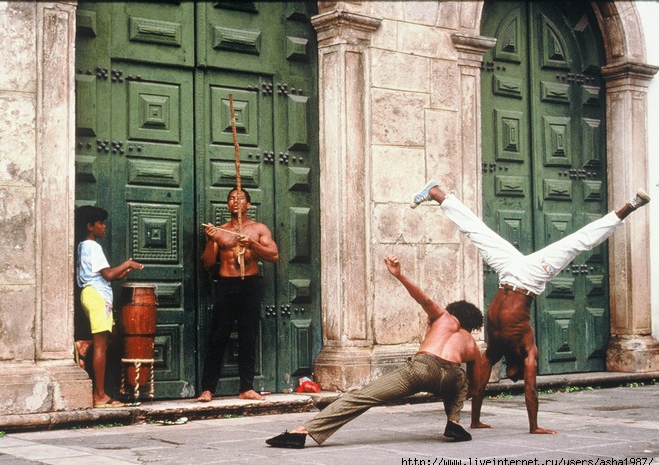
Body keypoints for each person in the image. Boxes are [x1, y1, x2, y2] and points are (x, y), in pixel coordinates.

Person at [410, 180, 651, 434]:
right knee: (576, 243)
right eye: (516, 375)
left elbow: (478, 384)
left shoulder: (495, 348)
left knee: (477, 233)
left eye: (513, 375)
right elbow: (529, 388)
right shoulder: (528, 347)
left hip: (507, 273)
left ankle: (438, 194)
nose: (514, 376)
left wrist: (474, 419)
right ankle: (631, 206)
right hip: (531, 278)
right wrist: (532, 426)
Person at [265, 255, 483, 449]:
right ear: (472, 324)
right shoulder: (472, 345)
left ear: (454, 311)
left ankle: (301, 432)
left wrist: (399, 275)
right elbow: (475, 386)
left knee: (363, 397)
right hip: (451, 375)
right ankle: (454, 423)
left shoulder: (444, 318)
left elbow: (422, 298)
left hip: (422, 369)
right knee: (461, 380)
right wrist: (474, 418)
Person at [197, 188, 279, 402]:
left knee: (248, 336)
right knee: (218, 336)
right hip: (226, 285)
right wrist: (209, 240)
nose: (236, 201)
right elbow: (207, 264)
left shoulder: (258, 229)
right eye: (232, 198)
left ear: (248, 205)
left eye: (240, 198)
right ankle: (208, 388)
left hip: (250, 284)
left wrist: (251, 244)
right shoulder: (221, 231)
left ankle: (246, 388)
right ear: (227, 205)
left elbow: (274, 255)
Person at [75, 205, 144, 408]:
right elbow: (108, 275)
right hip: (97, 296)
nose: (104, 227)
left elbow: (106, 276)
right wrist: (128, 264)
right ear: (90, 226)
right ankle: (100, 395)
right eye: (100, 223)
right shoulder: (93, 246)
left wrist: (122, 272)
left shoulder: (82, 246)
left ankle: (84, 345)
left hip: (92, 294)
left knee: (108, 337)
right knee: (102, 345)